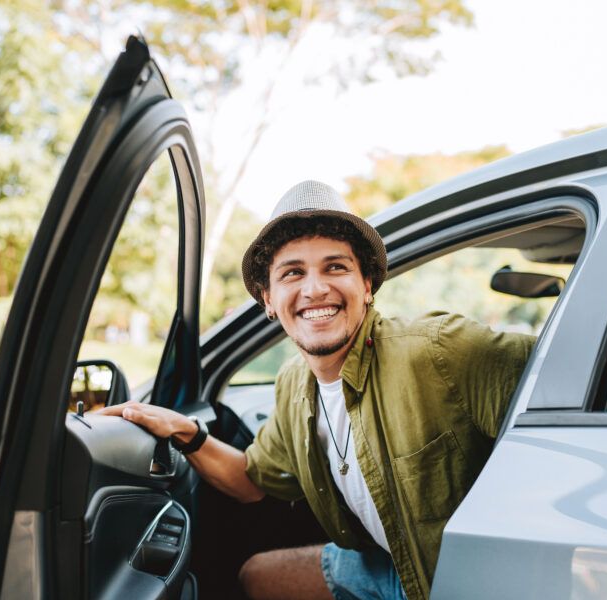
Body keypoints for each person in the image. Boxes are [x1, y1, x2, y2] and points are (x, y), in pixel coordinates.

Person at [101, 180, 534, 600]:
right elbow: (252, 480)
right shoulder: (294, 383)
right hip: (387, 564)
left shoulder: (443, 350)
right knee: (256, 577)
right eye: (293, 273)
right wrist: (181, 430)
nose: (314, 288)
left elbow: (577, 375)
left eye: (335, 267)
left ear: (366, 285)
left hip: (458, 582)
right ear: (269, 300)